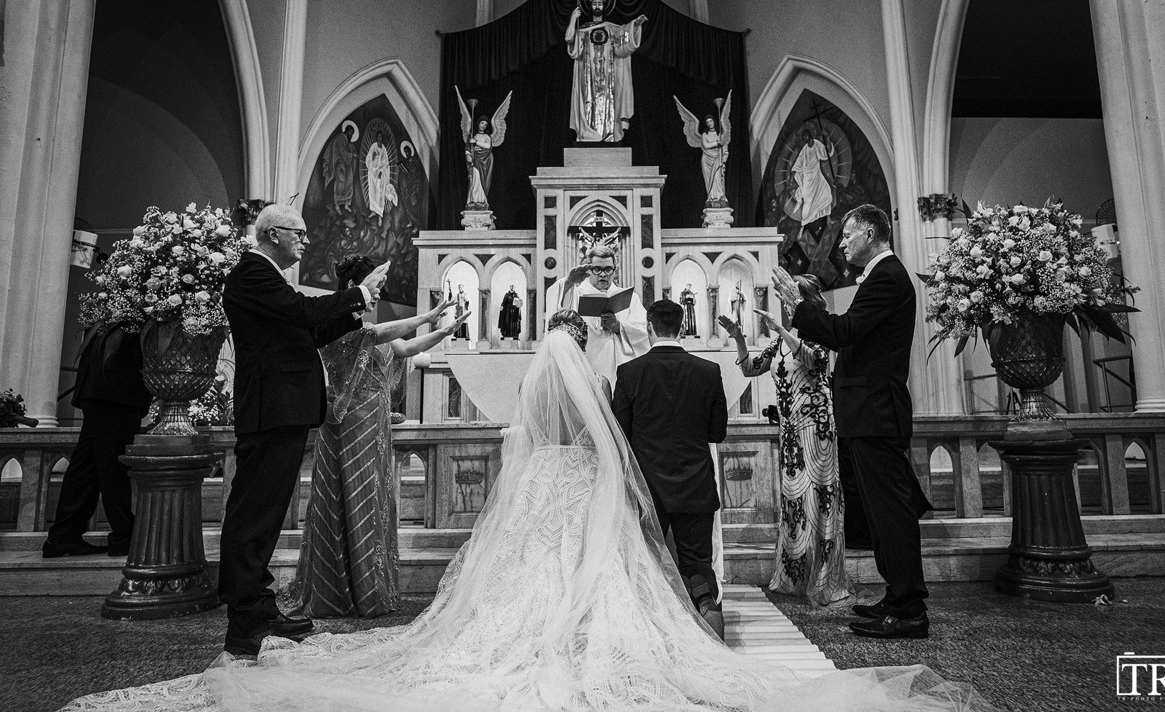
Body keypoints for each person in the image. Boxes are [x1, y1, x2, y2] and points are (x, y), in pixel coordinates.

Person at [61, 314, 992, 712]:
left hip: (539, 488)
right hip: (589, 488)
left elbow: (543, 436)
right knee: (601, 574)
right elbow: (609, 439)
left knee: (513, 579)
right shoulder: (608, 381)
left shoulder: (550, 392)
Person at [218, 204, 390, 657]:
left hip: (282, 409)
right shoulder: (252, 273)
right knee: (254, 514)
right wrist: (357, 294)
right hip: (271, 409)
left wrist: (356, 307)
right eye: (300, 234)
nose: (306, 242)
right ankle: (245, 619)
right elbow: (302, 311)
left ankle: (259, 605)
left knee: (267, 513)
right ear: (273, 233)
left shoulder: (267, 277)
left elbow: (308, 332)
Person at [781, 204, 933, 640]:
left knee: (892, 514)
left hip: (876, 411)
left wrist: (799, 307)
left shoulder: (887, 276)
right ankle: (897, 596)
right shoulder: (881, 276)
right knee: (881, 515)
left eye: (848, 235)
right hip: (867, 412)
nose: (842, 243)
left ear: (870, 233)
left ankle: (910, 608)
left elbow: (844, 331)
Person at [285, 255, 467, 619]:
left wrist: (444, 331)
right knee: (354, 496)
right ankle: (344, 591)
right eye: (377, 286)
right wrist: (427, 316)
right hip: (348, 424)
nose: (380, 292)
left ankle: (367, 585)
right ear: (357, 287)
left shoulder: (368, 327)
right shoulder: (337, 327)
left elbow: (406, 348)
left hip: (375, 423)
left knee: (374, 497)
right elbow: (382, 335)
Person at [718, 276, 851, 605]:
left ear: (806, 302)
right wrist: (739, 337)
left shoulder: (819, 336)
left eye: (792, 300)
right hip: (790, 431)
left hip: (817, 429)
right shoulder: (780, 341)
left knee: (819, 501)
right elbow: (751, 368)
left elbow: (815, 361)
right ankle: (795, 575)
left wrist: (781, 330)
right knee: (794, 503)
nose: (788, 307)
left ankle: (824, 579)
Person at [612, 299, 728, 639]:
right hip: (696, 484)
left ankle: (650, 633)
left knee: (645, 563)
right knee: (697, 562)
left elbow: (620, 434)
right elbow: (717, 432)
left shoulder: (629, 373)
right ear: (682, 327)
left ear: (649, 327)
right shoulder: (708, 371)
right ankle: (708, 620)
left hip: (648, 488)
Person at [41, 321, 152, 559]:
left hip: (103, 387)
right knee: (113, 467)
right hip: (115, 388)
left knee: (87, 466)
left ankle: (64, 535)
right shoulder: (129, 311)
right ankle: (124, 535)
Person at [544, 244, 649, 387]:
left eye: (608, 269)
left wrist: (619, 327)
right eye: (597, 269)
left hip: (620, 369)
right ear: (589, 270)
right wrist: (568, 282)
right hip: (586, 366)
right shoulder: (576, 294)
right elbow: (557, 317)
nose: (603, 274)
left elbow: (645, 332)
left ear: (615, 270)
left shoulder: (630, 299)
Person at [565, 0, 647, 143]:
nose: (597, 6)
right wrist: (573, 18)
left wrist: (635, 25)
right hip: (588, 78)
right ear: (590, 7)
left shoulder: (612, 29)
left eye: (600, 4)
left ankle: (609, 135)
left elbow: (625, 39)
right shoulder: (583, 30)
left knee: (610, 103)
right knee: (588, 102)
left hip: (608, 78)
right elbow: (569, 38)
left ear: (604, 7)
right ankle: (588, 135)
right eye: (594, 4)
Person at [785, 128, 834, 243]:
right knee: (808, 202)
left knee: (826, 192)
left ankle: (828, 219)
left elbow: (826, 153)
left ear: (809, 136)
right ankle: (802, 228)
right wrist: (792, 177)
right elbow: (798, 163)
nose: (804, 139)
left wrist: (827, 137)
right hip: (807, 178)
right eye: (803, 138)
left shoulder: (817, 144)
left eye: (805, 137)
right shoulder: (805, 149)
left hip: (817, 174)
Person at [365, 131, 397, 219]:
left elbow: (386, 164)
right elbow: (368, 159)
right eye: (378, 137)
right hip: (372, 174)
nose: (380, 138)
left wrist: (381, 171)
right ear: (377, 137)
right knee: (372, 191)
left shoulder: (383, 149)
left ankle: (379, 215)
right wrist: (372, 157)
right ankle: (373, 211)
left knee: (379, 193)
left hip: (380, 175)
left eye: (381, 137)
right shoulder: (373, 146)